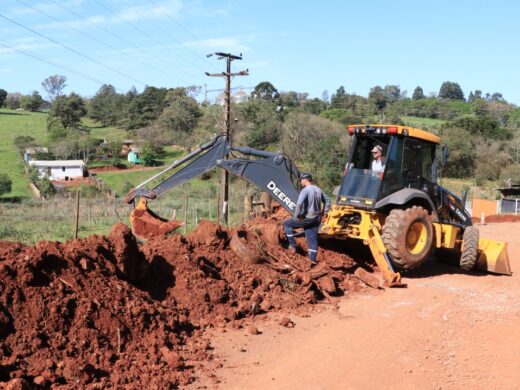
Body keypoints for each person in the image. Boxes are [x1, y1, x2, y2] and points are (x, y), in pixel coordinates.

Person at [283, 172, 331, 264]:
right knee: (312, 238)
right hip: (316, 218)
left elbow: (299, 204)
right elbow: (327, 201)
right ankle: (312, 259)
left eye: (301, 180)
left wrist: (296, 216)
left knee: (287, 223)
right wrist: (324, 212)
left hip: (308, 217)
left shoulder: (306, 190)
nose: (301, 182)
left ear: (305, 180)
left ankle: (293, 245)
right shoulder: (318, 189)